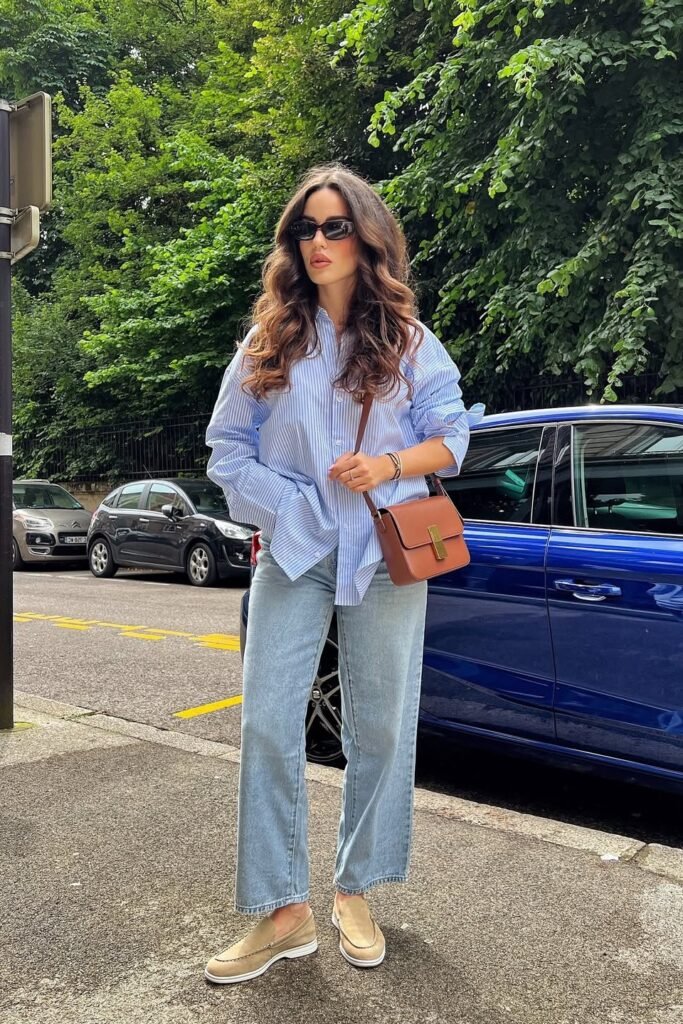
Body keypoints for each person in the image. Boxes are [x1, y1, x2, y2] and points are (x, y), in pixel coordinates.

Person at [203, 163, 483, 984]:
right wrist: (288, 507)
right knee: (265, 723)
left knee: (381, 728)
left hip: (385, 553)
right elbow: (226, 449)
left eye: (333, 227)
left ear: (366, 238)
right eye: (304, 229)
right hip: (294, 555)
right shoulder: (268, 341)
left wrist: (385, 463)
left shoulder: (407, 342)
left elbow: (452, 442)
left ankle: (355, 890)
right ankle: (283, 909)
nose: (317, 243)